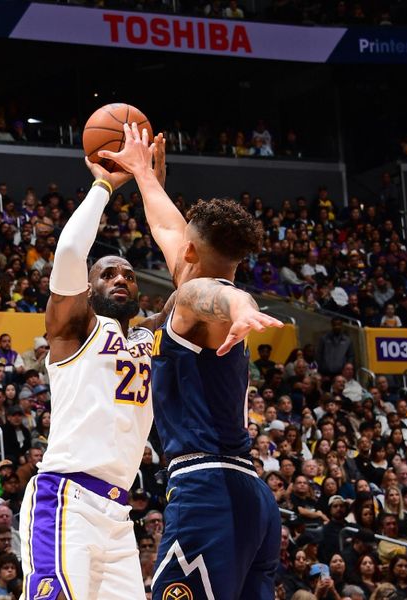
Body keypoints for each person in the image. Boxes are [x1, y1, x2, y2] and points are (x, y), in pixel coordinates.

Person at [101, 123, 284, 600]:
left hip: (207, 489)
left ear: (190, 248)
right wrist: (143, 173)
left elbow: (210, 296)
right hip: (248, 496)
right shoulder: (192, 268)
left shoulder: (195, 295)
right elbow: (164, 225)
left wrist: (242, 308)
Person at [19, 161, 155, 600]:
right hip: (66, 498)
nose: (120, 279)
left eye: (129, 276)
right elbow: (70, 253)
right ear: (88, 287)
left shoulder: (146, 337)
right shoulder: (75, 328)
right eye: (108, 273)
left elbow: (191, 284)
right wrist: (104, 185)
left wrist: (151, 184)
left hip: (118, 513)